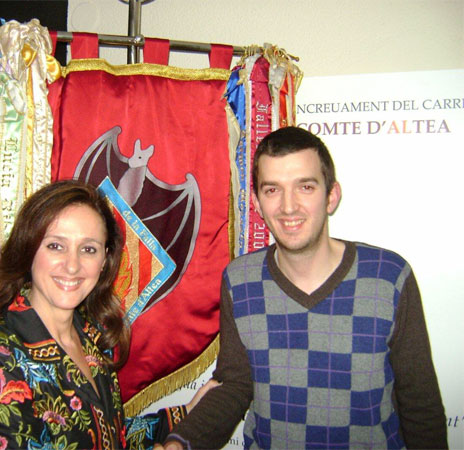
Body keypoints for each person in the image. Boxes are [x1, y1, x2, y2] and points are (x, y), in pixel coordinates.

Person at [163, 127, 447, 449]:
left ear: (331, 196)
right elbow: (235, 386)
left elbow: (419, 404)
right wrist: (180, 443)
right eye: (273, 190)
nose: (289, 206)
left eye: (305, 187)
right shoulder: (240, 281)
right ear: (257, 203)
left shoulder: (388, 276)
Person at [0, 180, 216, 450]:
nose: (72, 266)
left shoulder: (91, 334)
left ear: (104, 260)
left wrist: (185, 414)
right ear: (28, 249)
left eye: (88, 249)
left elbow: (106, 435)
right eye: (56, 246)